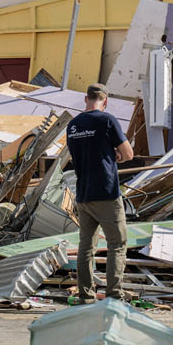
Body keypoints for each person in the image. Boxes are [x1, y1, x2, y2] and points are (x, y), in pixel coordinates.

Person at [66, 82, 134, 303]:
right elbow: (129, 154)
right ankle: (114, 295)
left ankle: (86, 296)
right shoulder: (107, 120)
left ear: (86, 99)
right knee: (117, 243)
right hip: (106, 192)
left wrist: (108, 152)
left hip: (84, 193)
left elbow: (83, 154)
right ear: (105, 101)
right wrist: (116, 154)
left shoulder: (73, 126)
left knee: (86, 248)